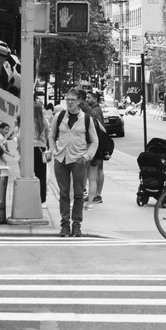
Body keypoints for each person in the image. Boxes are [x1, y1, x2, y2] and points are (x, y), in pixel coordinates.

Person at [46, 89, 98, 237]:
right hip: (61, 159)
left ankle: (76, 225)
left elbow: (94, 141)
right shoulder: (59, 116)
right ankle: (64, 225)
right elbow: (51, 136)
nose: (69, 102)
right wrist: (54, 151)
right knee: (63, 193)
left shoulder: (86, 119)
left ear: (79, 101)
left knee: (78, 194)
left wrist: (86, 157)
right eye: (67, 99)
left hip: (78, 160)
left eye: (72, 100)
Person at [33, 95, 51, 208]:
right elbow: (47, 137)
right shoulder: (45, 122)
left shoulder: (29, 122)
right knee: (42, 176)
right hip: (41, 149)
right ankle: (42, 200)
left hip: (30, 149)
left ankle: (32, 198)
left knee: (29, 175)